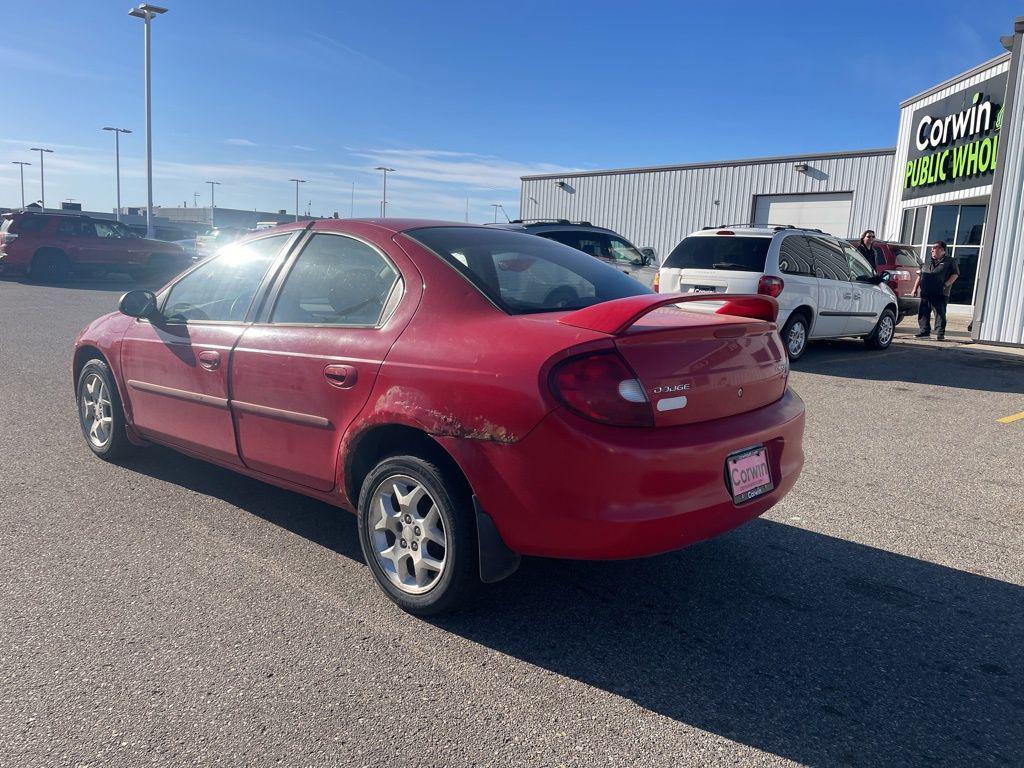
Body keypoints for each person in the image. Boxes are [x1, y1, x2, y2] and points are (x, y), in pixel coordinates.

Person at [912, 241, 959, 341]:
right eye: (932, 248)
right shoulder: (927, 261)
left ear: (942, 250)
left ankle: (940, 333)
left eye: (935, 247)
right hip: (925, 292)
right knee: (923, 312)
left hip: (940, 292)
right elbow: (920, 275)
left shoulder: (950, 261)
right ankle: (924, 331)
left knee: (939, 313)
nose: (932, 249)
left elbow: (955, 274)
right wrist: (915, 289)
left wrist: (946, 284)